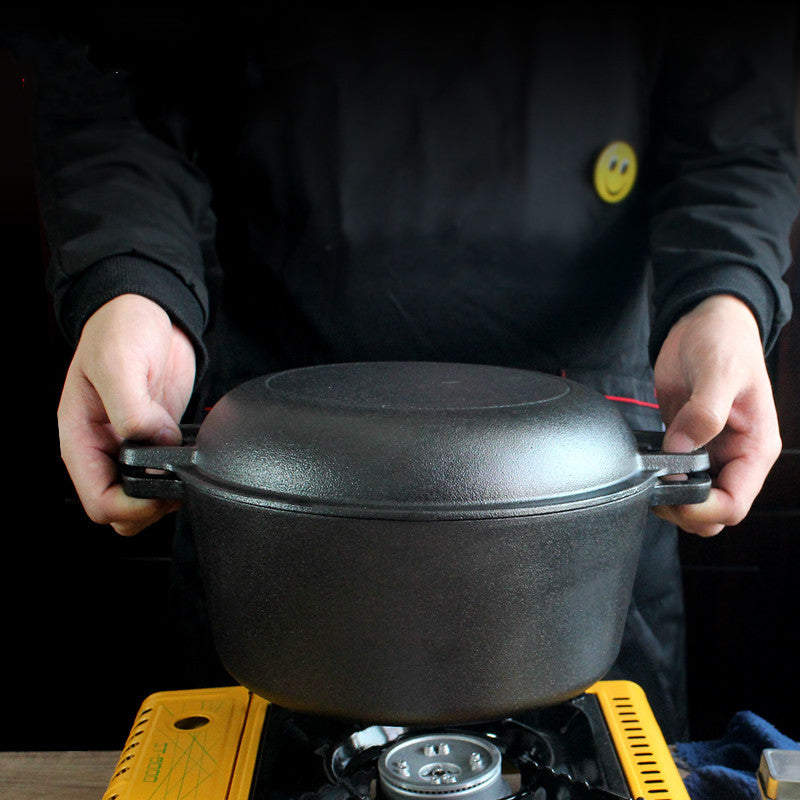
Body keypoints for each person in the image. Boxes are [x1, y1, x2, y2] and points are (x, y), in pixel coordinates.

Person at [7, 2, 798, 743]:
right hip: (276, 469)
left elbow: (736, 95)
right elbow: (120, 73)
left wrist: (722, 300)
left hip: (580, 488)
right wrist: (133, 291)